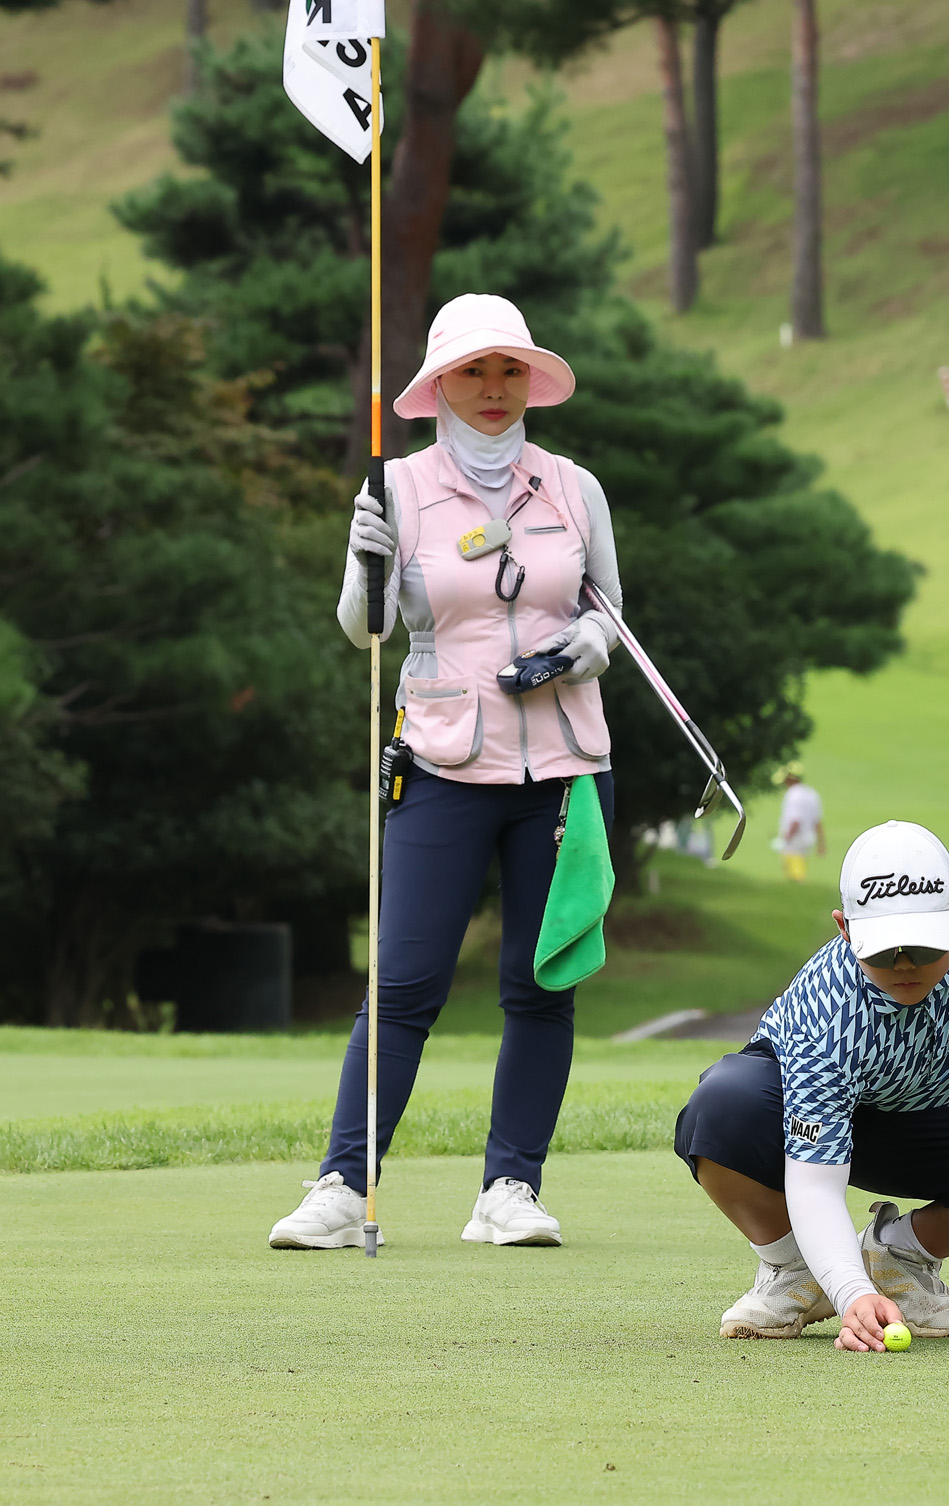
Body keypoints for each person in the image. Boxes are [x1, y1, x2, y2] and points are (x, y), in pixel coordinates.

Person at [270, 294, 623, 1252]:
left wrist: (586, 643)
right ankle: (344, 1185)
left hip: (562, 766)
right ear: (440, 387)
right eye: (474, 372)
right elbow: (369, 632)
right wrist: (360, 563)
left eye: (509, 370)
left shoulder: (572, 487)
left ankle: (511, 1188)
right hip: (441, 760)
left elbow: (609, 615)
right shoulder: (400, 488)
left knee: (542, 985)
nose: (495, 389)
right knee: (404, 981)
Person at [673, 820, 949, 1348]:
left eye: (924, 947)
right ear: (845, 930)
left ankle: (897, 1256)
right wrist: (851, 1292)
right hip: (803, 1120)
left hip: (946, 1107)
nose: (905, 966)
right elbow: (815, 1182)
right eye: (883, 951)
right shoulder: (828, 1006)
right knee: (720, 1108)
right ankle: (799, 1270)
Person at [774, 763, 825, 882]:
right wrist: (821, 843)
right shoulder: (811, 793)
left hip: (795, 837)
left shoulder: (793, 795)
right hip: (808, 836)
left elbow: (795, 821)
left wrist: (786, 838)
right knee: (800, 862)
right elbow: (817, 821)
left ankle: (797, 886)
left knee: (793, 867)